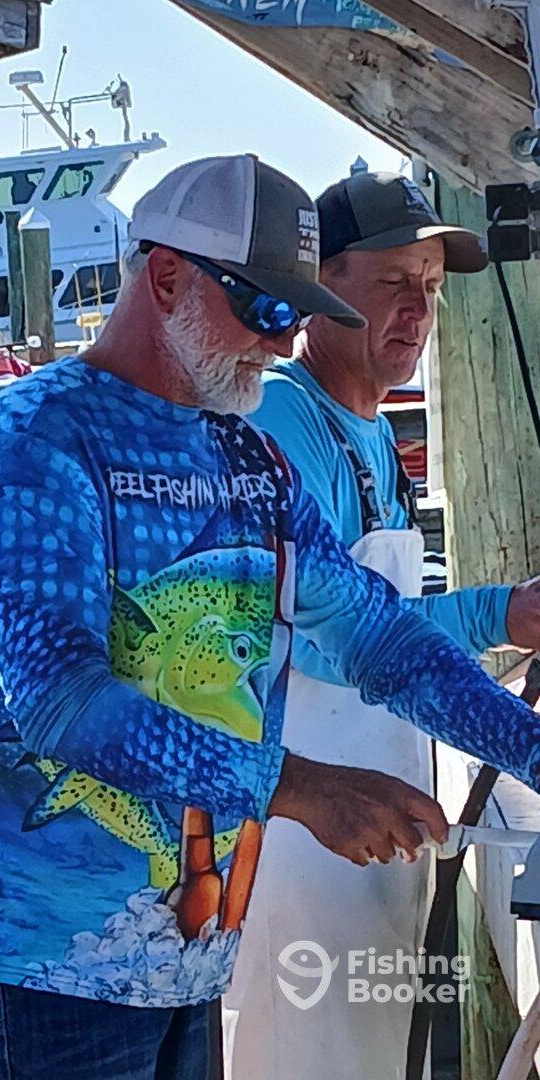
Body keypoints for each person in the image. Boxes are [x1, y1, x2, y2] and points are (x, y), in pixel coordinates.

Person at [0, 156, 539, 1080]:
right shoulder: (33, 438)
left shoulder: (248, 455)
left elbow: (382, 642)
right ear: (168, 274)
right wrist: (302, 788)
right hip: (34, 962)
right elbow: (60, 699)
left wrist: (532, 749)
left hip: (192, 949)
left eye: (301, 312)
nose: (286, 339)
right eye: (265, 308)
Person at [225, 171, 540, 1080]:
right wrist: (498, 612)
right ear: (323, 286)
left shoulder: (368, 429)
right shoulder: (284, 420)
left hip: (382, 822)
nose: (419, 311)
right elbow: (332, 643)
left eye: (432, 289)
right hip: (304, 838)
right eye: (395, 284)